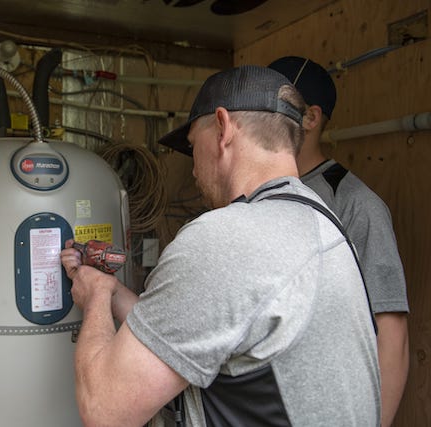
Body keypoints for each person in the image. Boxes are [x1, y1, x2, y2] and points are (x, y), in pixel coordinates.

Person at [61, 65, 380, 426]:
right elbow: (194, 327)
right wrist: (113, 289)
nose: (193, 169)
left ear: (223, 127)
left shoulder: (226, 238)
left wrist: (96, 298)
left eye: (193, 145)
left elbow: (104, 409)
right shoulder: (322, 222)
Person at [268, 56, 409, 427]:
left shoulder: (357, 205)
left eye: (275, 104)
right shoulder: (260, 194)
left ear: (311, 119)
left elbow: (392, 332)